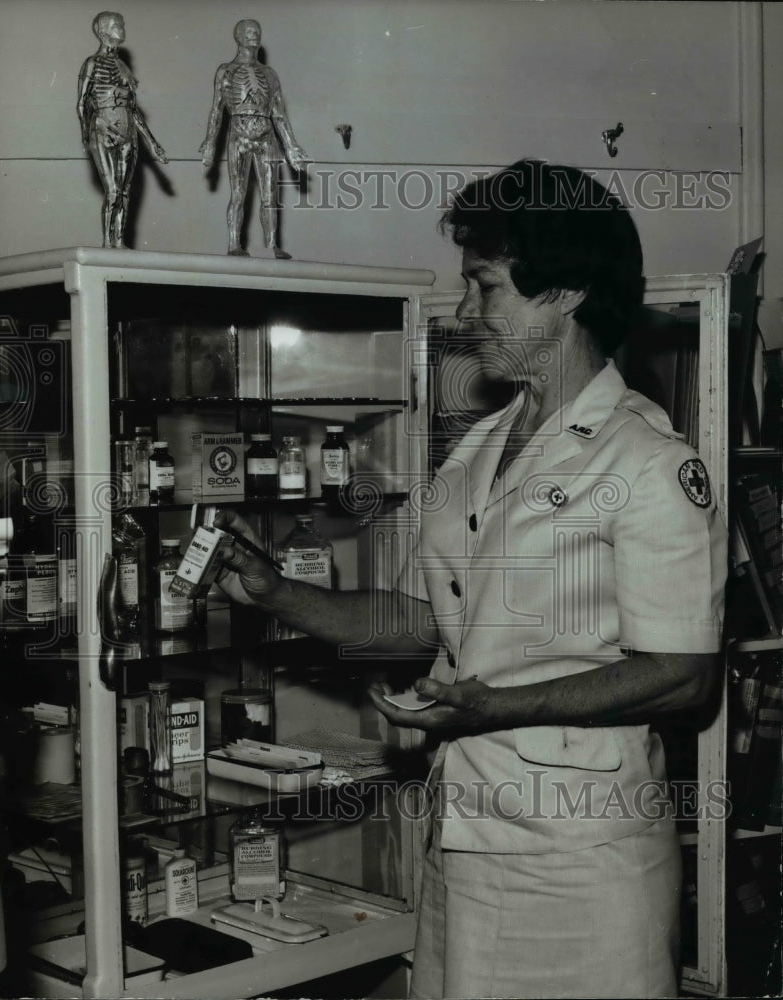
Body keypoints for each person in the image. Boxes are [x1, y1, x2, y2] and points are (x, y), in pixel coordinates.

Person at [213, 159, 727, 999]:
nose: (462, 311)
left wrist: (497, 706)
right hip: (462, 844)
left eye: (483, 286)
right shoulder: (480, 448)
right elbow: (427, 623)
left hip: (582, 866)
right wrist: (279, 594)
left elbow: (683, 676)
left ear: (561, 292)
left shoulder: (649, 463)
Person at [199, 19, 309, 259]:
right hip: (238, 134)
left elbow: (279, 113)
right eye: (248, 31)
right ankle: (233, 244)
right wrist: (209, 141)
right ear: (237, 36)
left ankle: (271, 245)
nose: (254, 35)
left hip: (266, 135)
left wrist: (291, 147)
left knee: (271, 195)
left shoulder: (269, 74)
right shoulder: (226, 70)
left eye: (257, 31)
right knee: (238, 195)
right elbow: (217, 109)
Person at [76, 11, 168, 249]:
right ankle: (108, 244)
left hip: (129, 133)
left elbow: (133, 110)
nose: (122, 27)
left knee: (125, 191)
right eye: (117, 24)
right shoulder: (92, 63)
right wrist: (86, 133)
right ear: (103, 30)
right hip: (103, 129)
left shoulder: (124, 67)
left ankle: (119, 242)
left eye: (122, 23)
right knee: (114, 190)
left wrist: (152, 143)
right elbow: (81, 103)